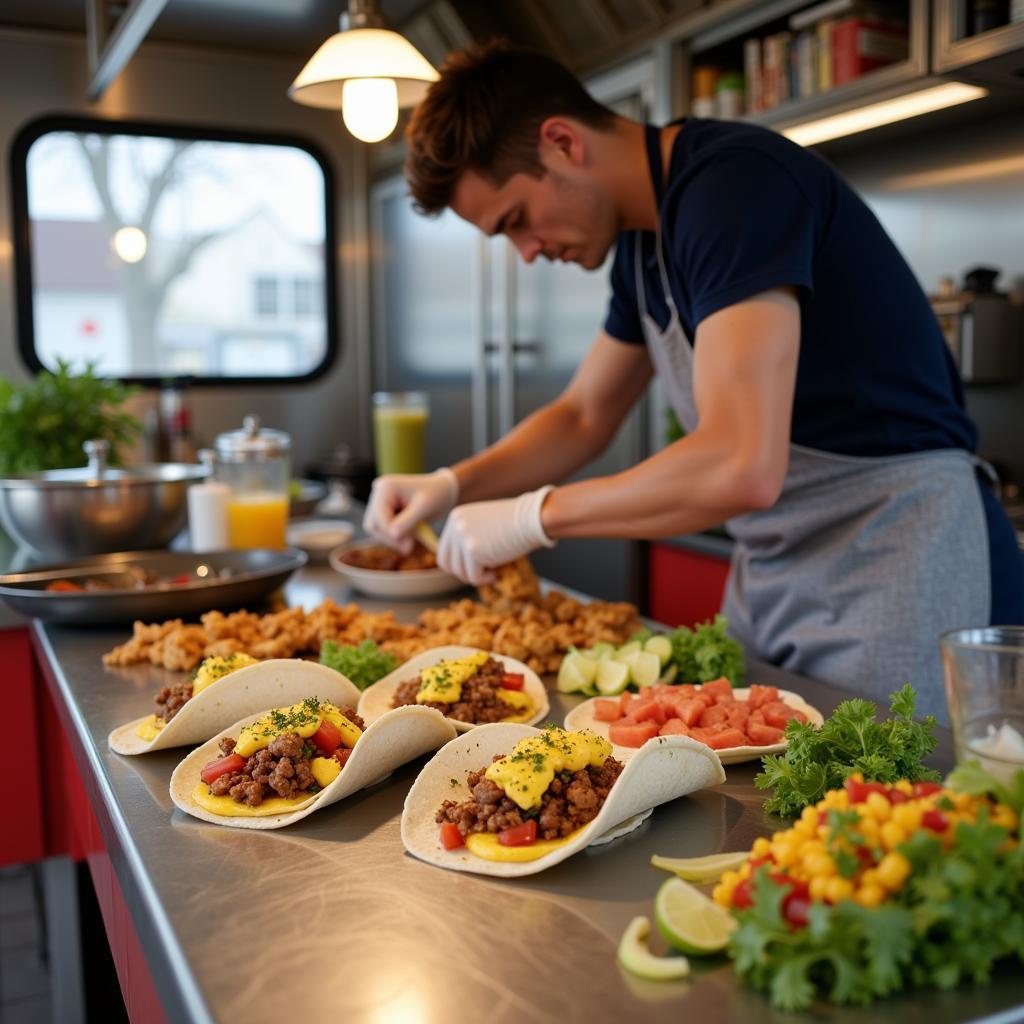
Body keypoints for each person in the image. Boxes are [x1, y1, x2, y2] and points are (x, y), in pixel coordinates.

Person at [363, 41, 1024, 720]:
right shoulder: (641, 247)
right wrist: (450, 484)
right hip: (778, 569)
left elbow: (741, 463)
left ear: (561, 142)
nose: (528, 253)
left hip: (895, 554)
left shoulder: (735, 186)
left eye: (517, 221)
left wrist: (535, 516)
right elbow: (585, 414)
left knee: (887, 798)